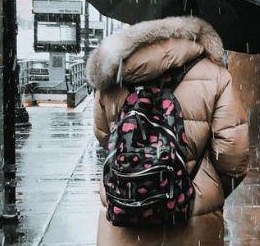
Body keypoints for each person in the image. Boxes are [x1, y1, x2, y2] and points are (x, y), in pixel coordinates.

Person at [89, 16, 249, 245]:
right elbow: (233, 155)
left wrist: (138, 169)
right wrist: (202, 186)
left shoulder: (113, 74)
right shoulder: (216, 75)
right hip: (192, 223)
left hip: (124, 214)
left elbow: (104, 136)